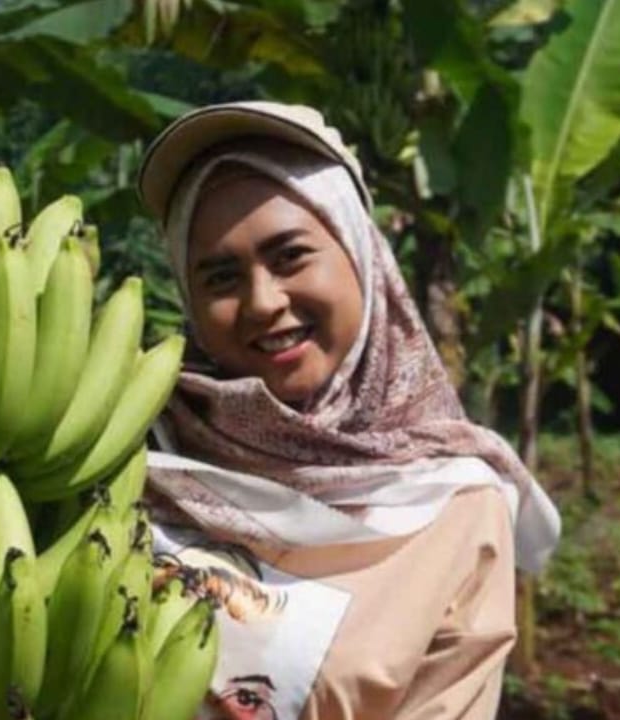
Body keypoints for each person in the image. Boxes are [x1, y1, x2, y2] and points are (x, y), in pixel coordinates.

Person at [134, 101, 562, 720]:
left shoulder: (455, 505)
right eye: (221, 277)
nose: (263, 302)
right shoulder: (137, 453)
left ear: (362, 258)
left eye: (290, 256)